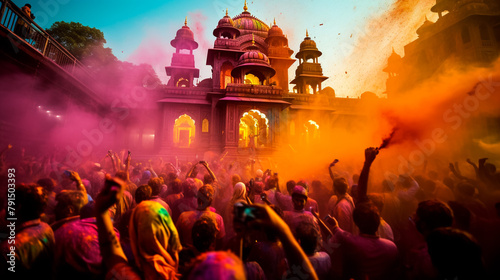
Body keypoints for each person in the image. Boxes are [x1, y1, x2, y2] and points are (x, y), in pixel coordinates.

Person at [0, 184, 54, 278]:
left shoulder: (8, 249)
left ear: (18, 207)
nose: (5, 207)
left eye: (8, 202)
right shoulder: (46, 228)